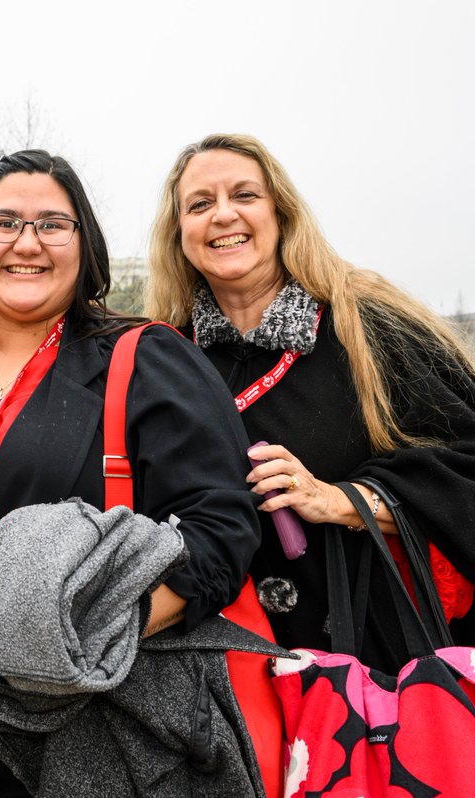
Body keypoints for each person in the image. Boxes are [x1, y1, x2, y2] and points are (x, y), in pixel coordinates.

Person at [0, 149, 262, 796]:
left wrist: (85, 637)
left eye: (52, 224)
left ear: (84, 248)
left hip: (71, 719)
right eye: (3, 222)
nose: (26, 242)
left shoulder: (144, 362)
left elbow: (221, 533)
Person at [146, 133, 475, 674]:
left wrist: (338, 499)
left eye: (245, 195)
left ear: (281, 213)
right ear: (179, 234)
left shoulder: (368, 325)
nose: (223, 215)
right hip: (225, 675)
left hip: (374, 670)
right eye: (200, 204)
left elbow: (465, 469)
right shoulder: (166, 359)